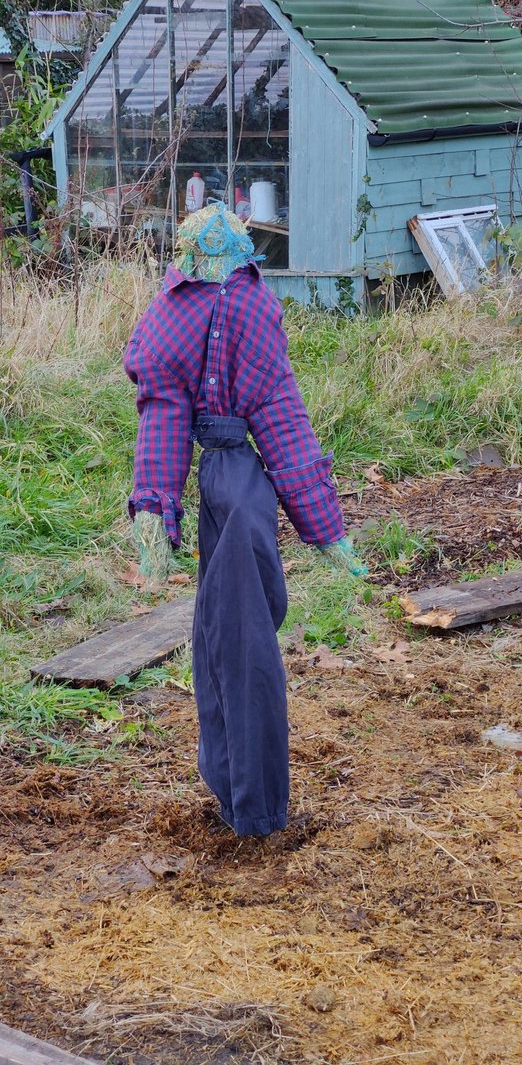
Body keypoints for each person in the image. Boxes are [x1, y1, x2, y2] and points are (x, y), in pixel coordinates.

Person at [124, 202, 364, 837]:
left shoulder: (169, 313)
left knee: (236, 642)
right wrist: (324, 528)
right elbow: (282, 421)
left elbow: (164, 420)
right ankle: (245, 803)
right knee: (229, 641)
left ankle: (252, 807)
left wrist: (156, 513)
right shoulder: (248, 306)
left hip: (226, 492)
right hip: (239, 490)